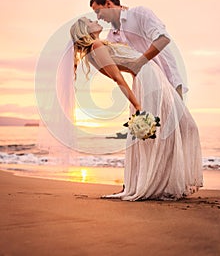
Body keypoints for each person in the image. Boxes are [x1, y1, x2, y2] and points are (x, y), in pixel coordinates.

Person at [70, 17, 203, 201]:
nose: (96, 19)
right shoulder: (96, 47)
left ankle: (165, 181)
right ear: (85, 29)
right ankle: (157, 183)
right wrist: (138, 105)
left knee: (176, 127)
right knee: (178, 127)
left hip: (149, 76)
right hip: (147, 78)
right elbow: (118, 78)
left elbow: (124, 70)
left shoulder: (96, 49)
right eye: (91, 20)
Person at [90, 0, 187, 100]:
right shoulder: (111, 37)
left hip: (167, 78)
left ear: (108, 4)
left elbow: (163, 39)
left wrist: (139, 63)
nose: (98, 17)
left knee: (175, 117)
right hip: (144, 87)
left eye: (98, 11)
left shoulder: (140, 13)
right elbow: (111, 66)